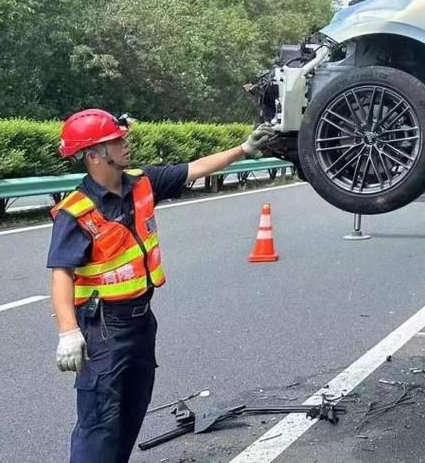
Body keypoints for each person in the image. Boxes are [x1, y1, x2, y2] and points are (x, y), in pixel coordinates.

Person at [47, 109, 277, 463]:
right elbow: (61, 272)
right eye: (116, 141)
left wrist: (243, 149)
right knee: (100, 424)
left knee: (131, 412)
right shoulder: (76, 211)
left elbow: (195, 168)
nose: (126, 144)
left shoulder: (142, 182)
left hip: (141, 323)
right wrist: (67, 331)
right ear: (94, 156)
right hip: (104, 329)